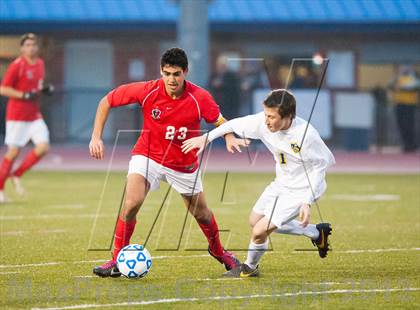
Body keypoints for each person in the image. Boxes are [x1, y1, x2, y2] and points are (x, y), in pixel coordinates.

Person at [89, 47, 244, 278]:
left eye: (177, 74)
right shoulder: (148, 90)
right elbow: (107, 101)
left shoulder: (199, 97)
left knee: (201, 214)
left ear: (185, 73)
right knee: (132, 203)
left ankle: (219, 251)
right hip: (147, 155)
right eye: (167, 73)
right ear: (161, 72)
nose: (172, 79)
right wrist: (96, 136)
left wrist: (230, 136)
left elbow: (219, 120)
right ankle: (116, 258)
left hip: (183, 163)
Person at [182, 89, 335, 277]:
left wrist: (307, 201)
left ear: (288, 116)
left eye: (271, 116)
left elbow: (320, 167)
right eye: (265, 114)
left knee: (259, 231)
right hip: (282, 183)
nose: (266, 120)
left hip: (304, 189)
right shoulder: (263, 123)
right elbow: (232, 124)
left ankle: (249, 268)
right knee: (254, 221)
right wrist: (205, 139)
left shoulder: (306, 135)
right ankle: (316, 233)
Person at [0, 33, 53, 202]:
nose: (31, 47)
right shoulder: (17, 65)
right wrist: (23, 95)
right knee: (13, 152)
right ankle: (0, 189)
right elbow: (4, 89)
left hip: (34, 116)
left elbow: (36, 86)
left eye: (34, 44)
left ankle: (17, 174)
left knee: (43, 147)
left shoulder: (40, 64)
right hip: (17, 116)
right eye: (28, 45)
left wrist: (44, 89)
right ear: (22, 48)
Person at [388, 65, 419, 152]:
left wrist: (400, 88)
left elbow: (412, 88)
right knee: (401, 126)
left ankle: (412, 145)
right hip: (399, 104)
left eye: (406, 68)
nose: (404, 69)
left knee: (410, 126)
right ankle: (406, 145)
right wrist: (396, 79)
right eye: (402, 68)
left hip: (410, 105)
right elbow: (390, 86)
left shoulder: (413, 78)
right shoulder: (398, 79)